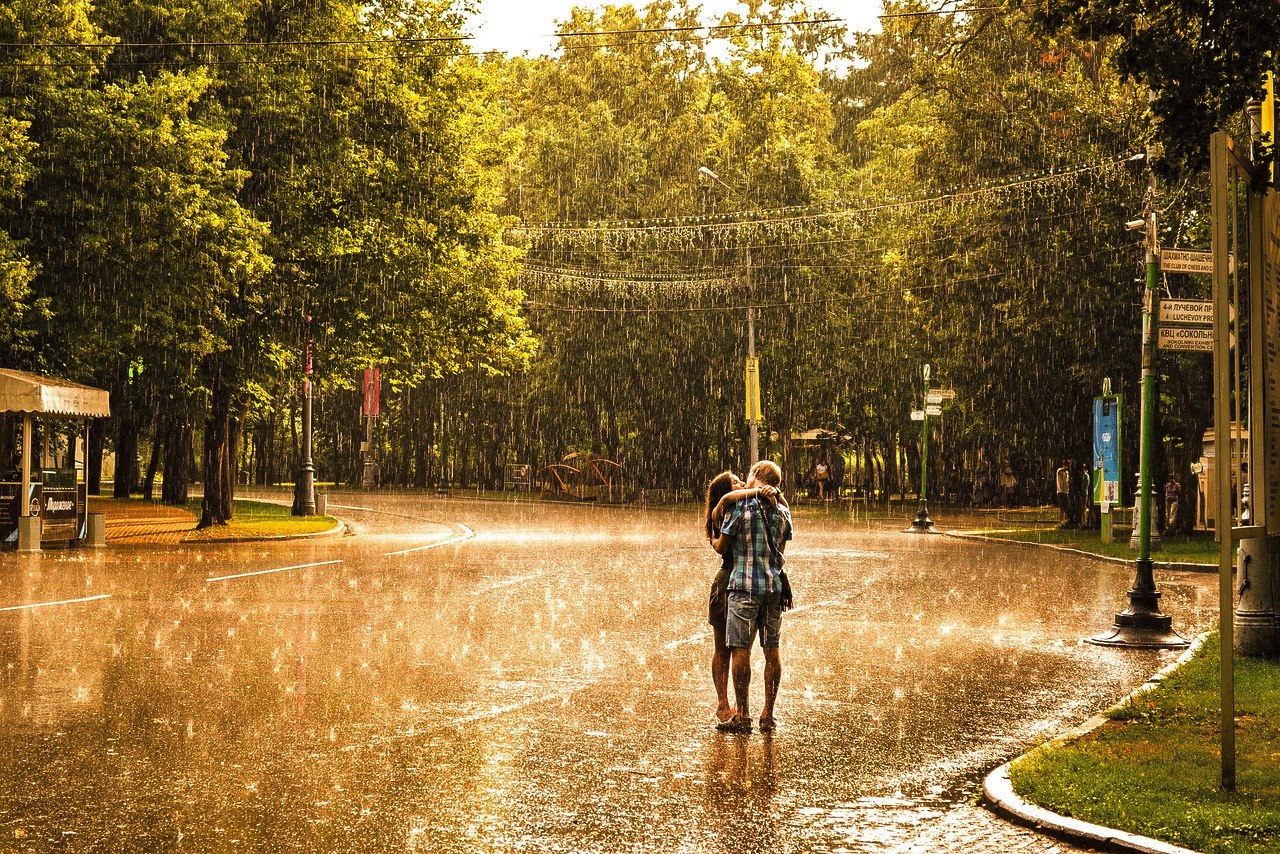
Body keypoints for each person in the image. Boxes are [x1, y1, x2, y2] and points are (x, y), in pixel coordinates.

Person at [712, 459, 793, 734]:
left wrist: (716, 537)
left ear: (756, 475)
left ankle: (743, 714)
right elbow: (780, 551)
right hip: (772, 589)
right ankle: (767, 714)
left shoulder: (741, 507)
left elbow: (723, 546)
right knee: (772, 650)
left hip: (744, 587)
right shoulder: (783, 510)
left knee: (741, 650)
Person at [1055, 459, 1071, 525]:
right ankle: (1061, 521)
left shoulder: (1067, 473)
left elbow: (1067, 481)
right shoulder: (1060, 470)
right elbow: (1061, 471)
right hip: (1061, 491)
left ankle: (1065, 521)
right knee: (1062, 507)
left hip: (1066, 491)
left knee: (1066, 507)